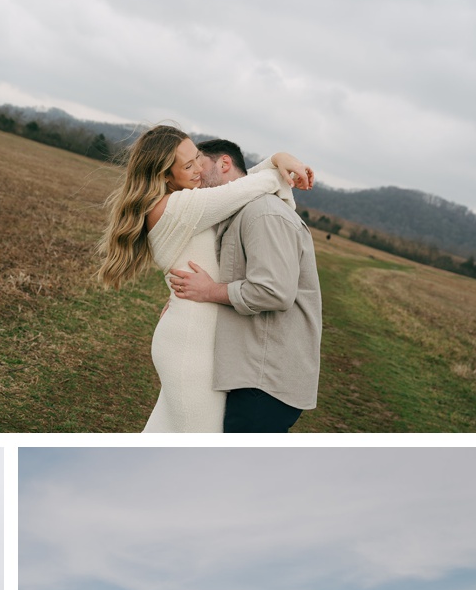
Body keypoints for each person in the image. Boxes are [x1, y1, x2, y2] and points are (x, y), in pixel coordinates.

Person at [96, 125, 314, 433]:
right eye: (188, 166)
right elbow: (243, 188)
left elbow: (237, 185)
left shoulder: (183, 200)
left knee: (164, 431)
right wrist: (280, 162)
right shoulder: (179, 207)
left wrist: (277, 160)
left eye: (198, 156)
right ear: (165, 177)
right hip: (190, 347)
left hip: (190, 338)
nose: (200, 167)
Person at [167, 138, 324, 432]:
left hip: (266, 380)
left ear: (223, 164)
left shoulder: (262, 213)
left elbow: (273, 291)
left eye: (199, 163)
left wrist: (209, 291)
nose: (196, 174)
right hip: (253, 372)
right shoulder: (239, 209)